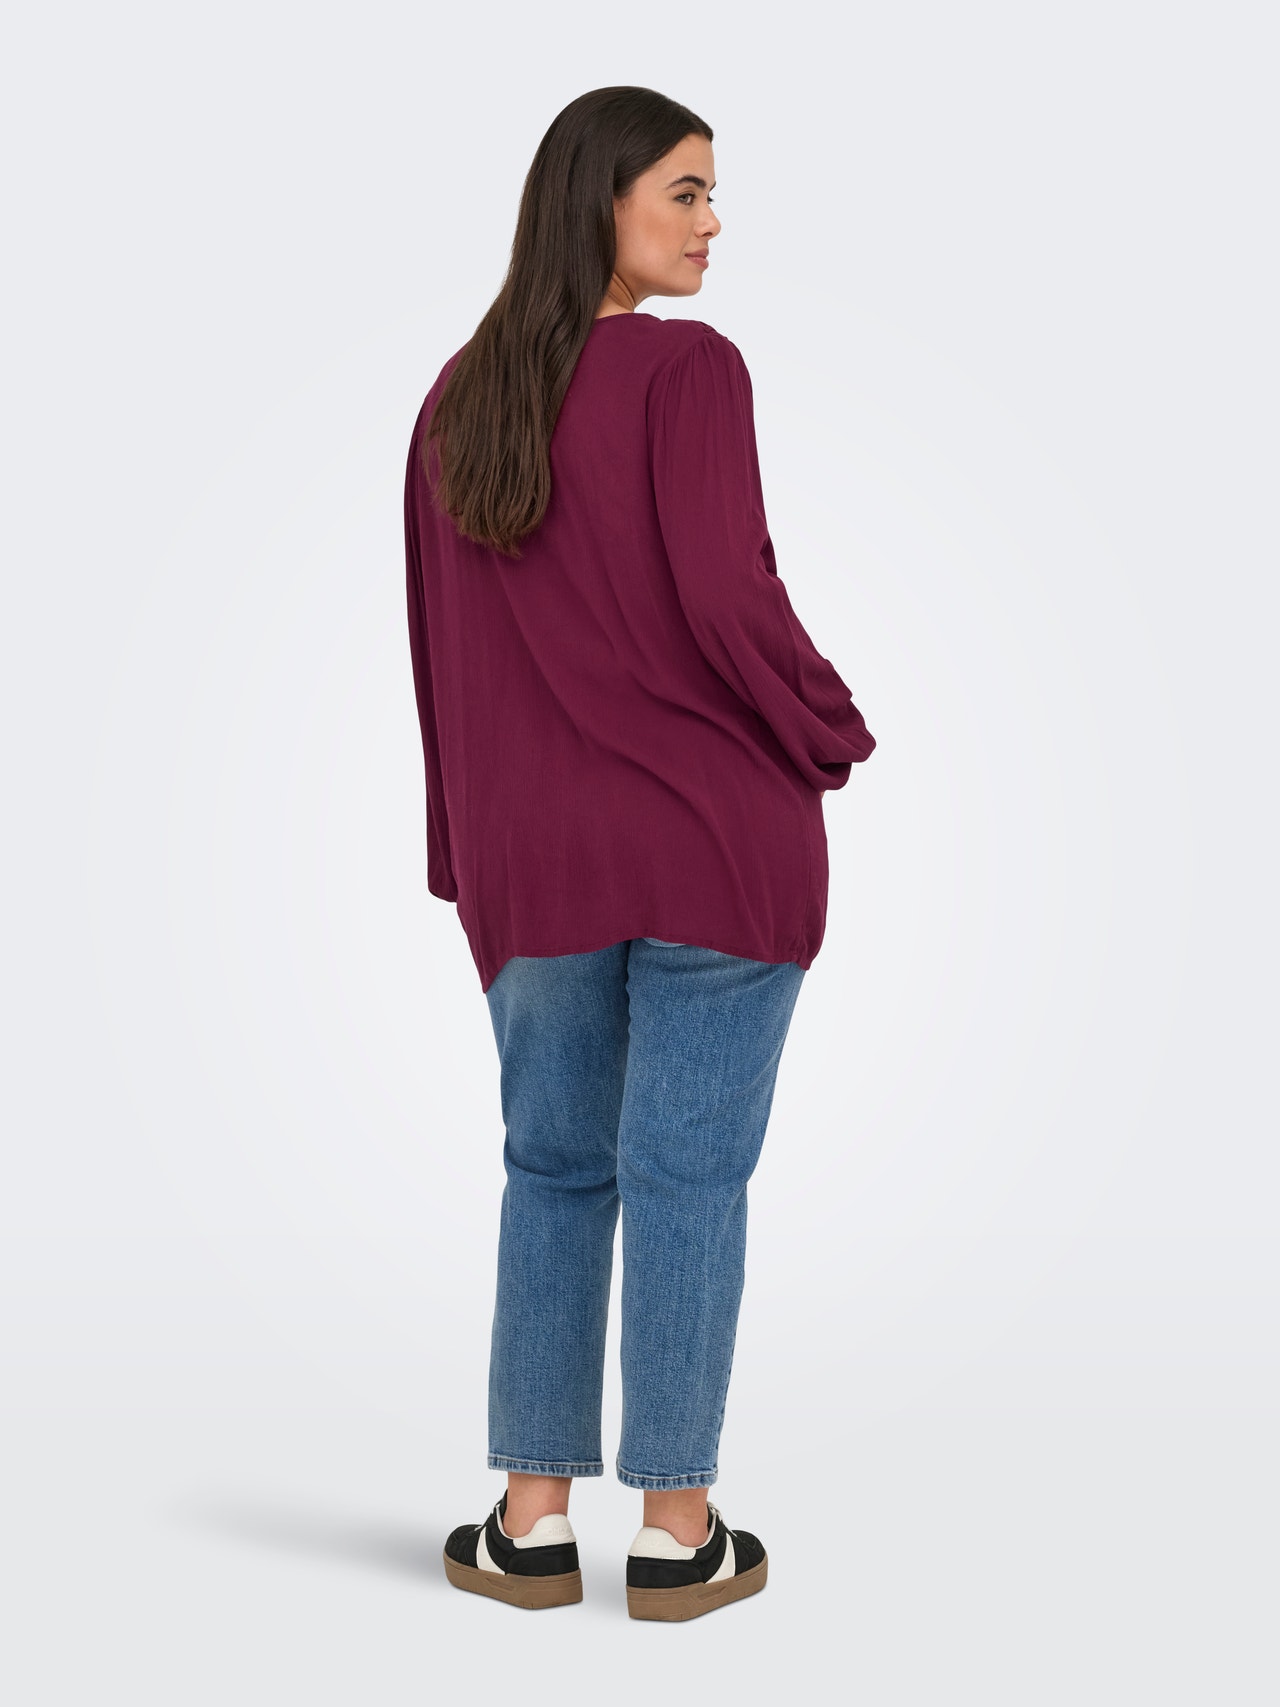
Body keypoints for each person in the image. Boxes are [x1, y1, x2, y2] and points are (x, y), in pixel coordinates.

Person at [404, 86, 876, 1622]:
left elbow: (444, 661)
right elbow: (732, 597)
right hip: (713, 844)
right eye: (686, 190)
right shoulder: (689, 372)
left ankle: (529, 1521)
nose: (712, 223)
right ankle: (679, 1532)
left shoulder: (458, 400)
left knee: (554, 1168)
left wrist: (467, 855)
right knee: (688, 1178)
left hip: (536, 863)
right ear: (598, 197)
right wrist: (827, 727)